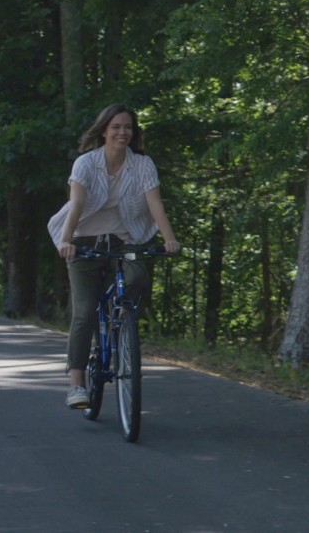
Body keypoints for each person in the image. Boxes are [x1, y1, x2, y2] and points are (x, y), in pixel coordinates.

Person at [47, 104, 180, 409]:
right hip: (83, 241)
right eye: (116, 127)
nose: (123, 133)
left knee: (138, 277)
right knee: (84, 312)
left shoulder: (143, 165)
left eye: (128, 128)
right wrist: (66, 241)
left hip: (124, 240)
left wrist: (169, 239)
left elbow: (155, 204)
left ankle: (120, 325)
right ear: (104, 130)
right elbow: (77, 204)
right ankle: (77, 385)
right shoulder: (86, 163)